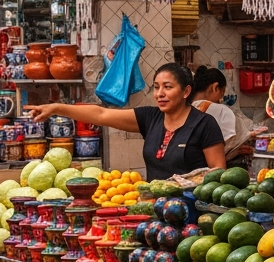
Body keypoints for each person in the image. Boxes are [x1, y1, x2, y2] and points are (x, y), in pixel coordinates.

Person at [26, 63, 225, 180]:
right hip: (155, 210)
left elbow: (219, 172)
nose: (160, 94)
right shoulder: (150, 117)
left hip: (191, 213)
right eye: (156, 87)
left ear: (186, 91)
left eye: (168, 87)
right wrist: (57, 108)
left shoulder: (205, 124)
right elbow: (101, 115)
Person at [193, 66, 258, 160]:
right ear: (215, 87)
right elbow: (227, 145)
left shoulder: (185, 108)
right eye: (222, 93)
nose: (220, 100)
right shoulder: (221, 110)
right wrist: (237, 149)